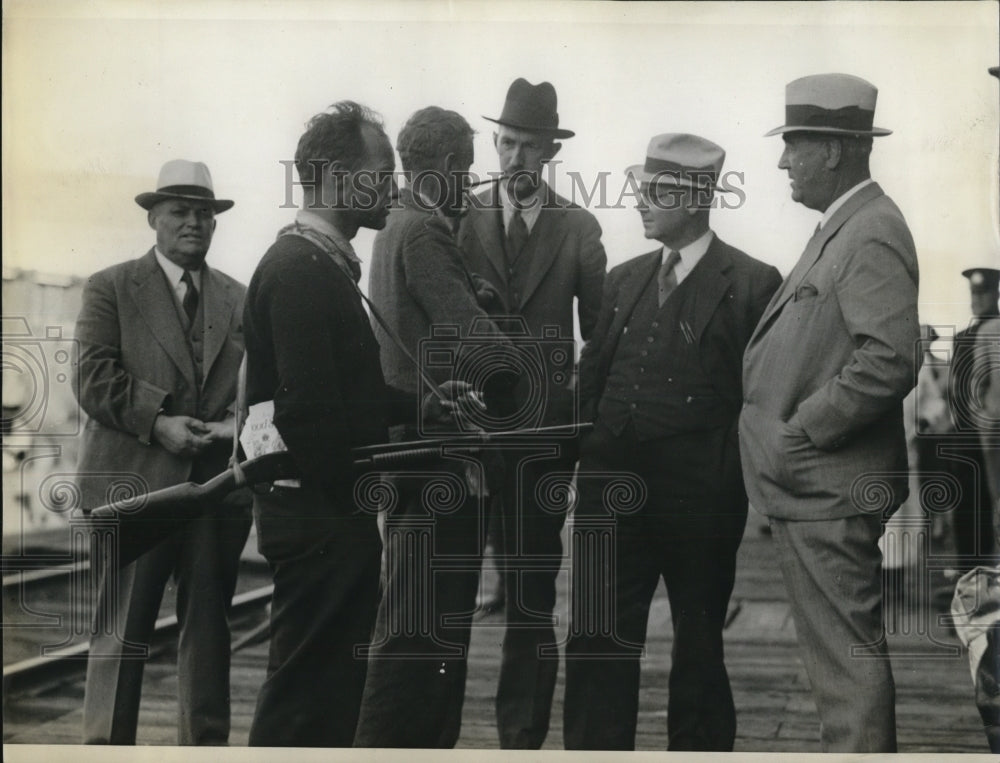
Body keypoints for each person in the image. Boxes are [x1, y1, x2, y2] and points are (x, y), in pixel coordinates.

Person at [243, 101, 467, 747]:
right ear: (340, 176)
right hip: (321, 520)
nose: (394, 186)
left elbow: (343, 395)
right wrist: (364, 484)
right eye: (382, 170)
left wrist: (419, 407)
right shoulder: (303, 271)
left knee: (323, 695)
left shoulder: (313, 264)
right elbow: (310, 414)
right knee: (304, 698)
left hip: (321, 515)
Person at [563, 134, 781, 750]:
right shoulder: (623, 278)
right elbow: (592, 378)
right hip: (610, 489)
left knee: (699, 637)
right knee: (596, 634)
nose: (639, 201)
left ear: (697, 197)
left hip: (700, 499)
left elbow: (759, 396)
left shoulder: (753, 282)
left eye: (655, 191)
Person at [740, 73, 920, 752]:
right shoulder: (847, 225)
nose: (783, 160)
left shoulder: (868, 231)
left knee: (845, 664)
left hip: (828, 487)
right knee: (840, 663)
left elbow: (890, 358)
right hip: (818, 489)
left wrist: (802, 430)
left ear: (835, 150)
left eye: (793, 144)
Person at [75, 159, 250, 744]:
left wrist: (233, 423)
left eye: (204, 213)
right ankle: (105, 751)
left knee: (209, 636)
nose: (193, 223)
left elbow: (261, 382)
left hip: (213, 493)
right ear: (153, 218)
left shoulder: (240, 298)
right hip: (133, 489)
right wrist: (160, 422)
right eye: (179, 212)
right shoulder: (111, 287)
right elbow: (92, 379)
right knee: (120, 634)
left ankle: (204, 751)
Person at [354, 106, 512, 747]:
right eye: (467, 171)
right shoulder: (426, 231)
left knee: (419, 621)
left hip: (410, 456)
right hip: (440, 458)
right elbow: (479, 343)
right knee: (423, 627)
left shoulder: (393, 224)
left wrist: (474, 297)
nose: (470, 185)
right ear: (445, 168)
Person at [457, 77, 607, 749]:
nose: (516, 158)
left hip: (541, 444)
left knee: (529, 596)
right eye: (507, 142)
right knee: (447, 593)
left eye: (530, 146)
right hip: (461, 439)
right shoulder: (456, 220)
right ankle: (430, 734)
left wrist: (572, 417)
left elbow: (600, 338)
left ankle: (520, 737)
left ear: (550, 152)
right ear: (495, 143)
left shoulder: (579, 228)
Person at [946, 267, 1000, 570]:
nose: (977, 300)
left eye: (983, 293)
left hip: (994, 437)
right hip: (967, 440)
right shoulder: (963, 337)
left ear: (996, 294)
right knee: (968, 514)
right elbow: (956, 391)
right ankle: (970, 583)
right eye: (973, 294)